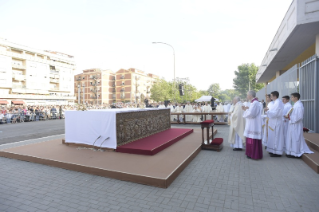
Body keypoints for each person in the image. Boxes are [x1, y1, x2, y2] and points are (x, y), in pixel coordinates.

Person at [285, 93, 313, 158]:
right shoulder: (295, 105)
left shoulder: (299, 105)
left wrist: (290, 118)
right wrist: (288, 116)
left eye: (292, 97)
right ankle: (291, 152)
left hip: (296, 125)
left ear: (296, 98)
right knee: (292, 138)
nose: (291, 98)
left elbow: (299, 116)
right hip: (292, 124)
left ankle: (296, 153)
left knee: (296, 138)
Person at [242, 91, 263, 160]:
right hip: (252, 123)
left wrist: (245, 111)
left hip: (253, 124)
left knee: (253, 139)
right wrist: (247, 109)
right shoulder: (254, 103)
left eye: (247, 95)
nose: (247, 96)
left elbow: (252, 114)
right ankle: (250, 153)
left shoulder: (255, 103)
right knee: (251, 138)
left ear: (251, 95)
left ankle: (253, 154)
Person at [264, 91, 284, 157]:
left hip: (277, 123)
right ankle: (273, 150)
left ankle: (277, 152)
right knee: (273, 137)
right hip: (273, 122)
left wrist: (268, 111)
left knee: (276, 137)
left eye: (271, 96)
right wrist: (268, 111)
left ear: (275, 96)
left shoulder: (278, 103)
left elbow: (276, 114)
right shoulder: (276, 102)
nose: (271, 97)